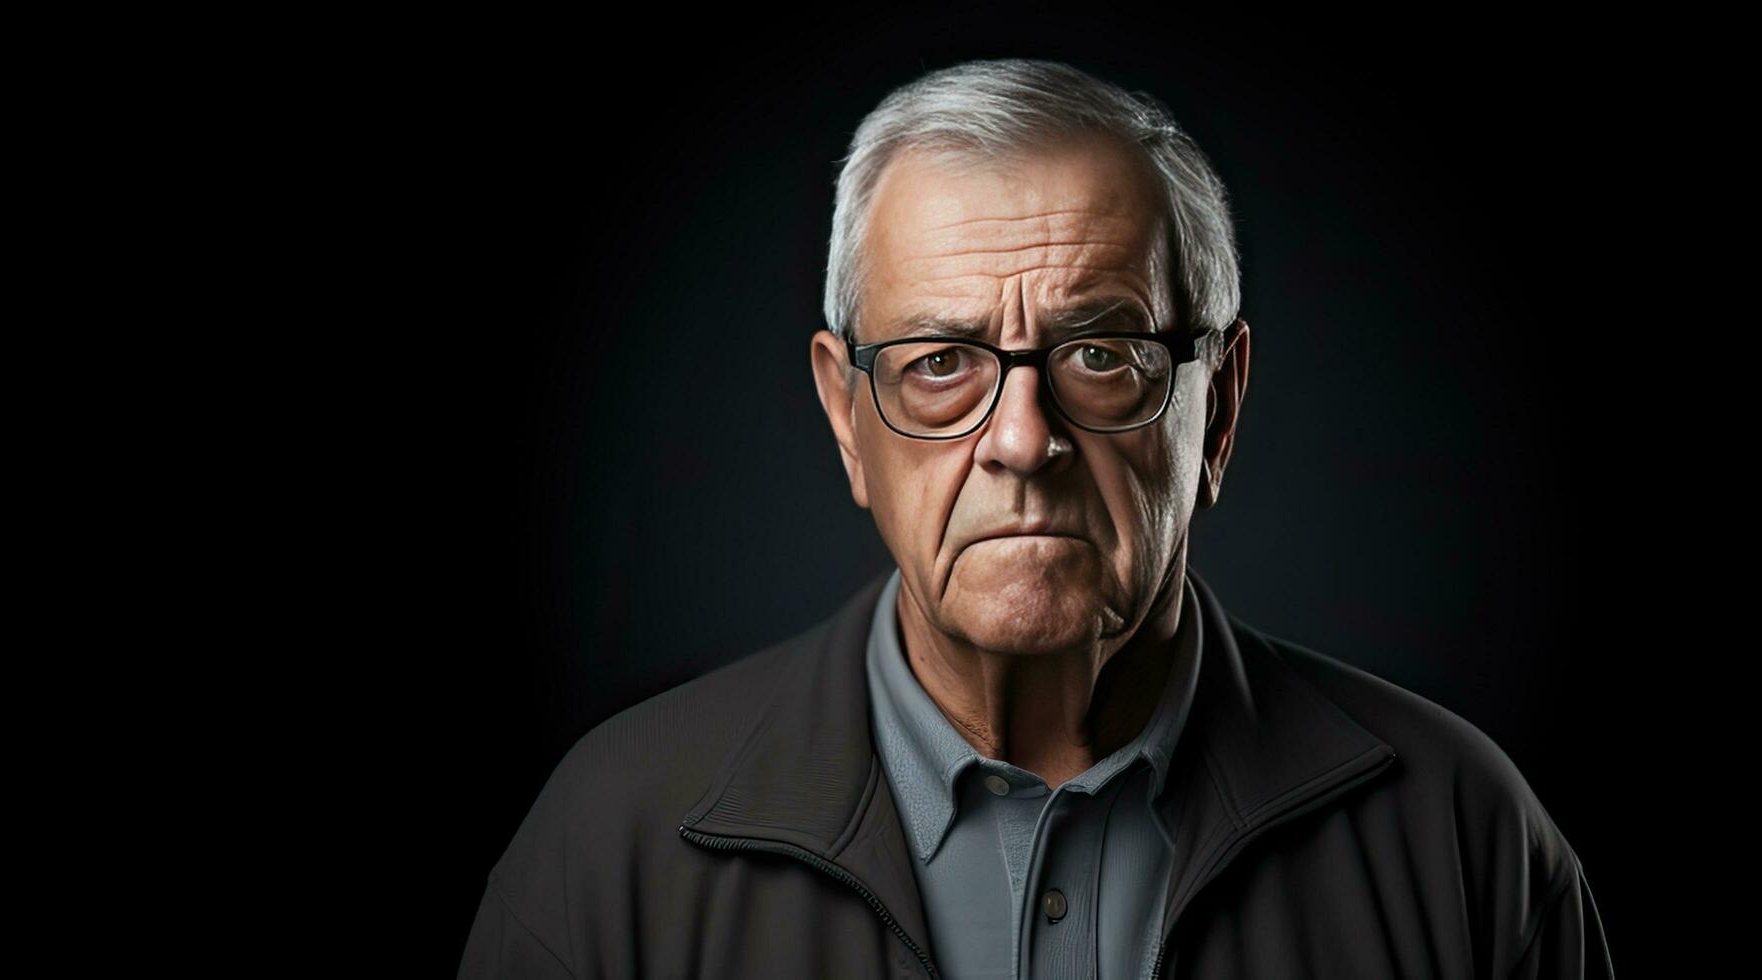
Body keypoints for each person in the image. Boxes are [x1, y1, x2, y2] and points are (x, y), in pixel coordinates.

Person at [458, 58, 1611, 980]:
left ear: (1218, 410)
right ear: (846, 415)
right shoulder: (608, 853)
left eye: (1101, 353)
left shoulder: (1462, 842)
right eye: (941, 362)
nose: (1020, 437)